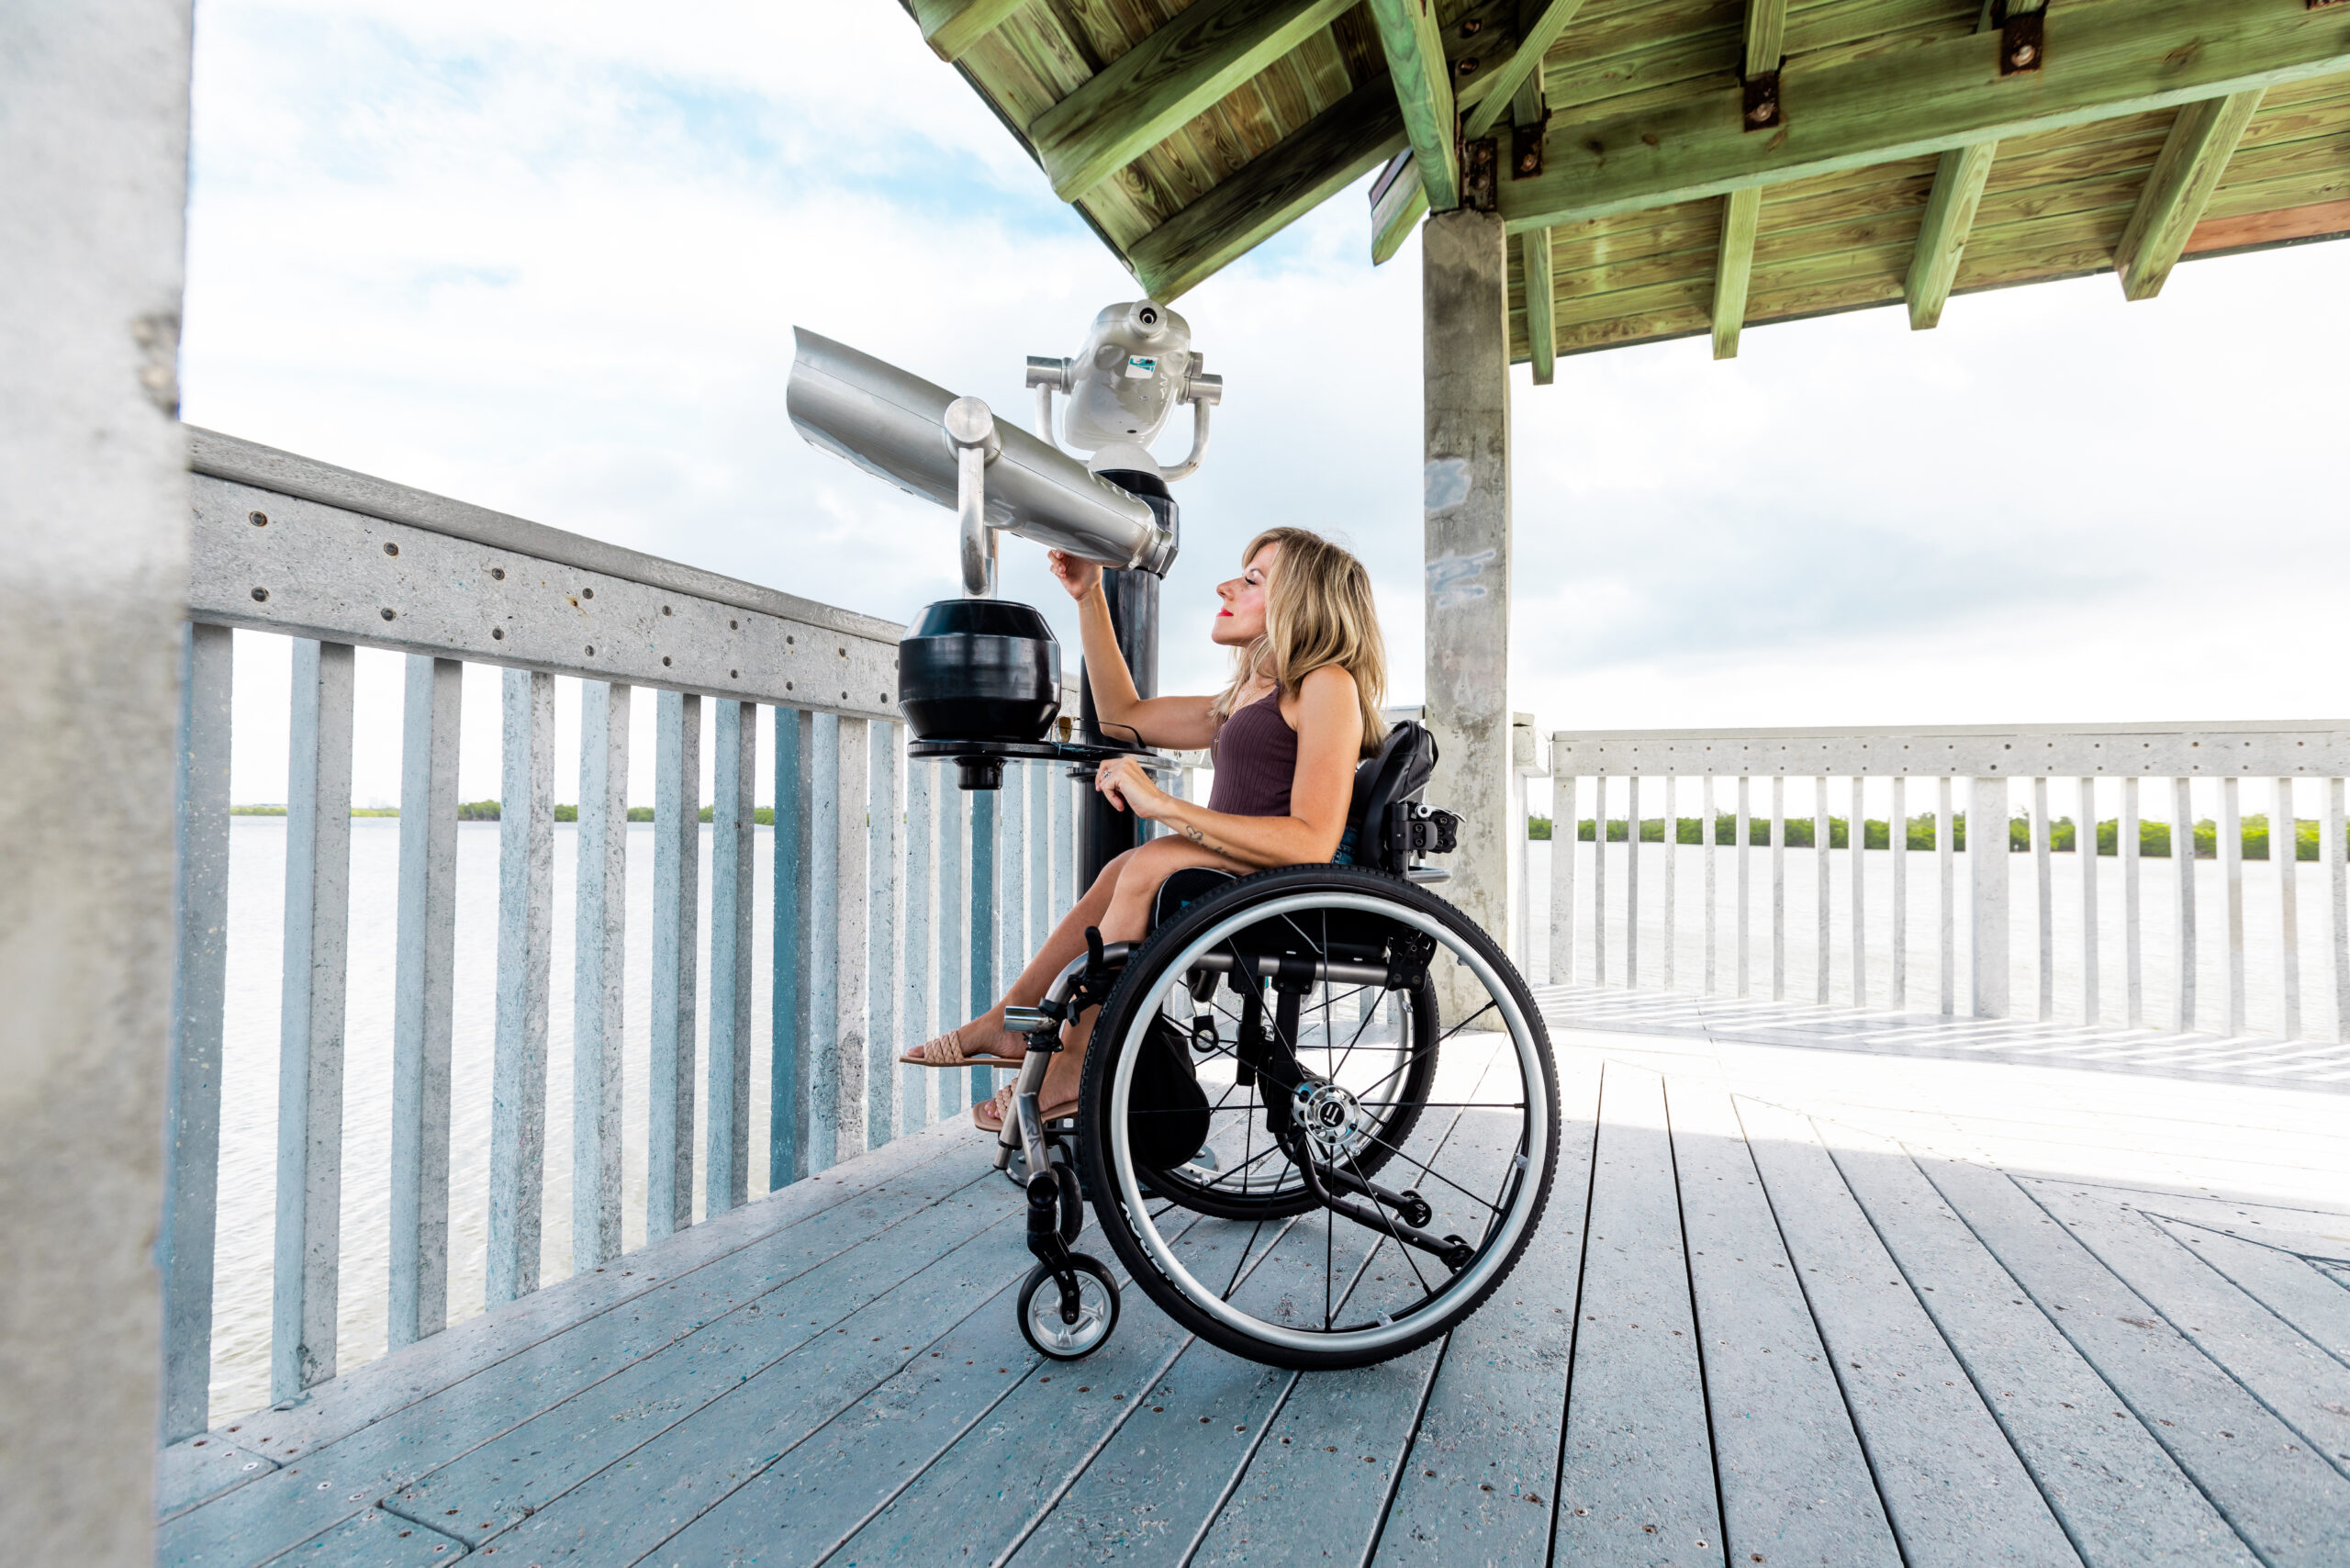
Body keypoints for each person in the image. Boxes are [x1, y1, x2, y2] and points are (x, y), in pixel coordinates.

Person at [899, 526, 1391, 1131]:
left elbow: (1313, 839)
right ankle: (1013, 1015)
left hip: (1281, 888)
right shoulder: (1250, 695)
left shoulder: (1327, 685)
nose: (1225, 586)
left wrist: (1166, 806)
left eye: (1253, 579)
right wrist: (1089, 597)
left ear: (1304, 603)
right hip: (1241, 874)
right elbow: (1123, 718)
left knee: (1150, 862)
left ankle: (1075, 1064)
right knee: (1123, 869)